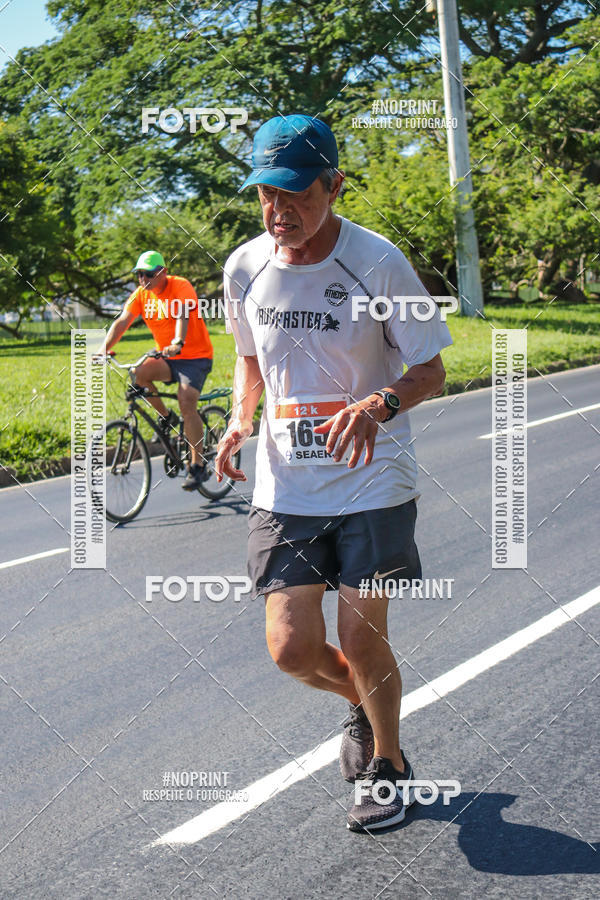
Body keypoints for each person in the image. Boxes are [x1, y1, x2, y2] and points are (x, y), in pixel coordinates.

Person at [215, 114, 452, 831]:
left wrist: (379, 404)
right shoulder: (244, 266)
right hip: (287, 485)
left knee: (359, 634)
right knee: (290, 649)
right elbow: (250, 358)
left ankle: (388, 764)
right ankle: (365, 700)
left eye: (296, 195)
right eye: (265, 195)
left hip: (373, 481)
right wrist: (239, 417)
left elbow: (431, 369)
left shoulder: (377, 262)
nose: (279, 211)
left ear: (334, 185)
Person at [101, 250, 214, 490]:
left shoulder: (180, 285)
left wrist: (178, 342)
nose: (143, 280)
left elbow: (183, 312)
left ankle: (197, 465)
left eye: (148, 274)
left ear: (162, 272)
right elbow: (122, 321)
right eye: (139, 275)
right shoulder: (142, 295)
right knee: (139, 374)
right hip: (167, 357)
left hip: (194, 357)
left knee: (186, 401)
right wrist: (103, 349)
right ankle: (166, 418)